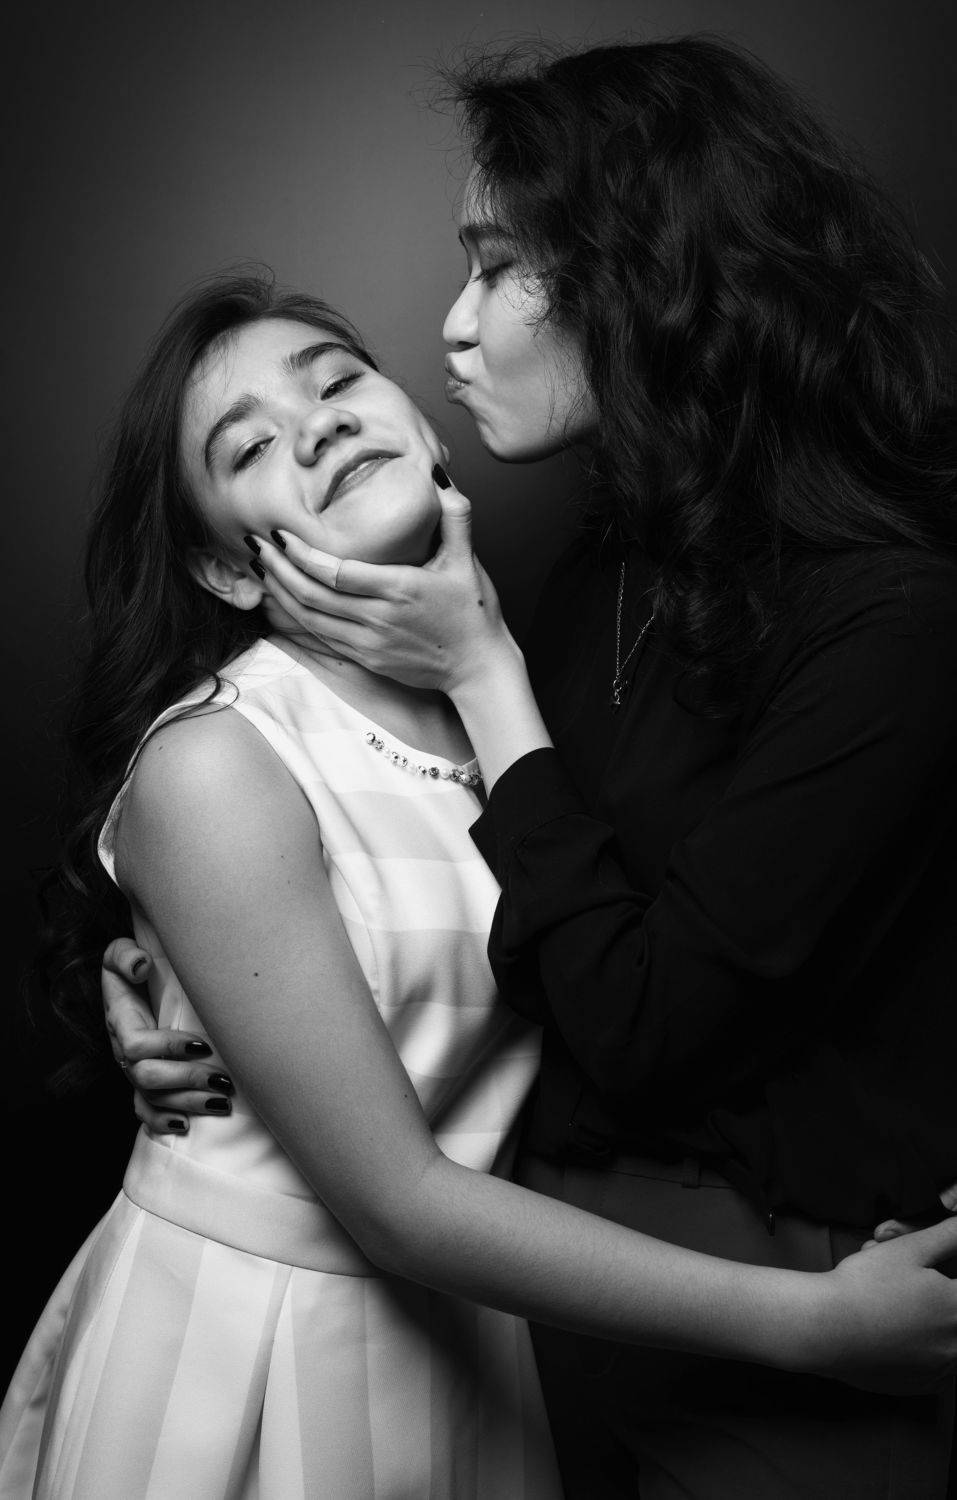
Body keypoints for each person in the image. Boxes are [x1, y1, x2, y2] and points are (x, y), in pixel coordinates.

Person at [104, 36, 957, 1500]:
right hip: (512, 1326)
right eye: (250, 444)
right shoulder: (585, 583)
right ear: (224, 561)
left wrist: (485, 673)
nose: (447, 326)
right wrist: (157, 979)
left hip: (776, 1298)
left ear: (643, 279)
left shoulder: (871, 616)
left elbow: (633, 995)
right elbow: (359, 874)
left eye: (498, 268)